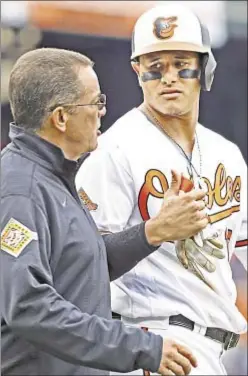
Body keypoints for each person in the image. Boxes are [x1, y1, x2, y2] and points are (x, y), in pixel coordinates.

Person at [0, 47, 210, 376]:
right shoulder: (21, 191)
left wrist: (154, 230)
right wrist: (141, 347)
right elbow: (28, 308)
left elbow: (79, 268)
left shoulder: (53, 177)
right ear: (60, 118)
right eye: (96, 102)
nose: (102, 112)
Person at [76, 4, 248, 375]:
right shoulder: (114, 150)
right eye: (155, 67)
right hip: (154, 343)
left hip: (213, 349)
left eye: (180, 62)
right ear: (138, 71)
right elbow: (80, 262)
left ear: (205, 67)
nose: (168, 77)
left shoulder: (226, 154)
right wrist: (153, 231)